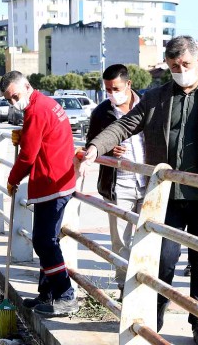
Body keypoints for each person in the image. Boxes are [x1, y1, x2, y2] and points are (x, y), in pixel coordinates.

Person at [81, 36, 198, 345]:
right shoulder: (156, 98)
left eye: (185, 64)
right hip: (167, 197)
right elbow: (123, 126)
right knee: (164, 261)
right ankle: (153, 317)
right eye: (174, 66)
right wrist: (94, 148)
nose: (180, 70)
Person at [0, 70, 79, 317]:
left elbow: (28, 156)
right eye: (9, 100)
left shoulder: (36, 110)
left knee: (44, 242)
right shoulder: (46, 103)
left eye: (15, 96)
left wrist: (12, 179)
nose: (14, 102)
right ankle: (47, 294)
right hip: (56, 179)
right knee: (47, 240)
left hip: (52, 183)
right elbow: (42, 137)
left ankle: (65, 296)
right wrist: (24, 135)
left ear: (27, 86)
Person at [86, 64, 147, 299]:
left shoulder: (148, 106)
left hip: (147, 182)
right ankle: (124, 288)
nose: (112, 93)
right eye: (108, 89)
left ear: (128, 84)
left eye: (116, 88)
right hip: (118, 184)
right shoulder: (101, 113)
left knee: (147, 238)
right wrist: (109, 152)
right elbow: (90, 146)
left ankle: (144, 285)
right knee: (121, 240)